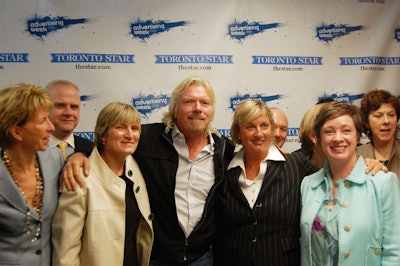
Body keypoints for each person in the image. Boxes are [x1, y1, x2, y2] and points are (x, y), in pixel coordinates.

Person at [61, 76, 235, 265]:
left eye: (205, 103)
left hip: (202, 258)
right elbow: (112, 144)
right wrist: (77, 155)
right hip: (156, 256)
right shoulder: (147, 138)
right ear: (175, 109)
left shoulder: (225, 150)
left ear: (212, 110)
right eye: (188, 102)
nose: (198, 108)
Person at [214, 99, 319, 266]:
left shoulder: (295, 165)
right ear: (238, 132)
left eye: (264, 126)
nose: (259, 133)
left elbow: (332, 177)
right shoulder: (224, 169)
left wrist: (369, 164)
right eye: (250, 127)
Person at [52, 102, 153, 266]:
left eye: (134, 128)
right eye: (120, 127)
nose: (129, 135)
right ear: (103, 135)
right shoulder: (79, 178)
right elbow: (66, 249)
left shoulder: (136, 169)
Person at [300, 101, 400, 265]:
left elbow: (394, 252)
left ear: (358, 136)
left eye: (346, 131)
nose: (338, 138)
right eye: (329, 132)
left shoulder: (383, 182)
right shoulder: (308, 184)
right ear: (318, 138)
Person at [0, 83, 64, 266]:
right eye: (43, 121)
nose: (51, 127)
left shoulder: (55, 158)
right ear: (16, 132)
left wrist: (78, 156)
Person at [357, 89, 400, 177]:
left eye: (391, 115)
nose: (386, 121)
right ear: (366, 123)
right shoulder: (357, 156)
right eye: (378, 116)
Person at [46, 80, 93, 158]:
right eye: (60, 106)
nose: (68, 113)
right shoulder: (30, 150)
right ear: (46, 108)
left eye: (74, 107)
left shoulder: (92, 151)